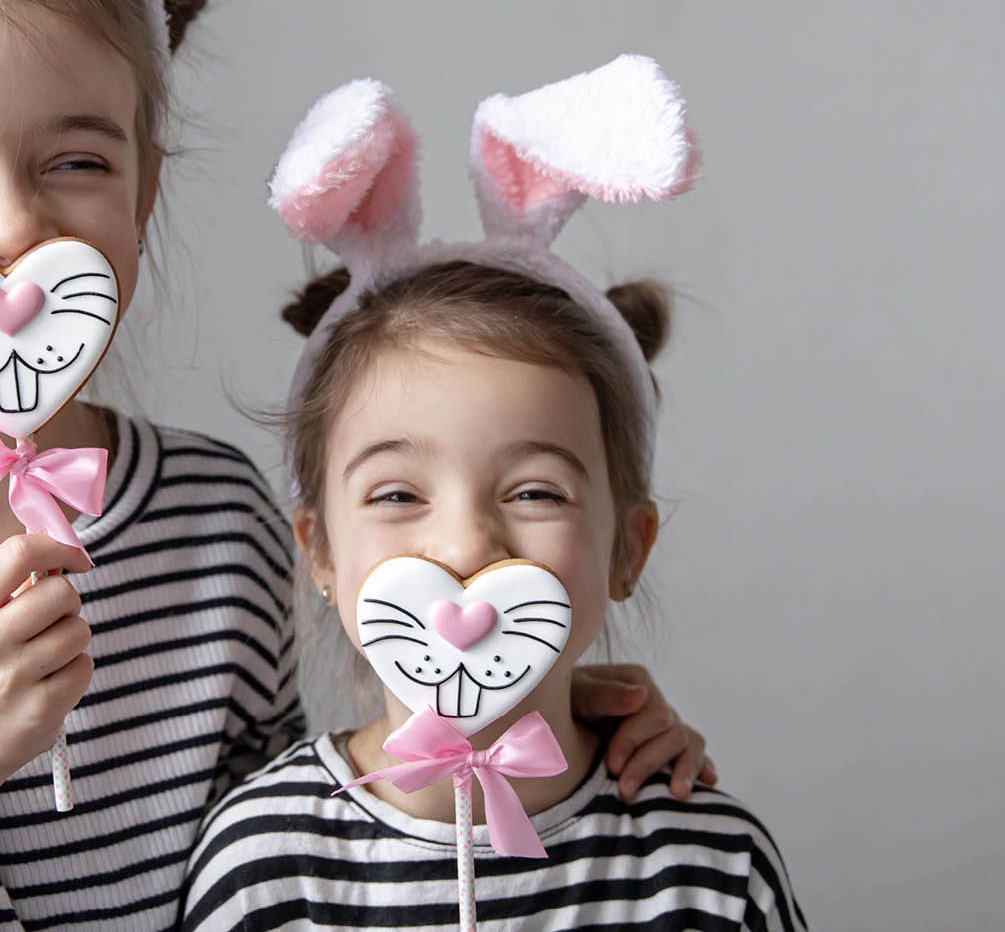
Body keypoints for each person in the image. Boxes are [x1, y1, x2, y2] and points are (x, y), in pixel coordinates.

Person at [0, 0, 713, 928]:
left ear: (143, 196)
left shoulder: (218, 516)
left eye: (78, 161)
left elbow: (289, 840)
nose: (9, 222)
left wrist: (533, 710)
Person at [182, 70, 806, 930]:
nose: (468, 542)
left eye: (535, 490)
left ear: (628, 546)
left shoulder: (709, 867)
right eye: (398, 491)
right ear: (320, 550)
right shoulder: (260, 862)